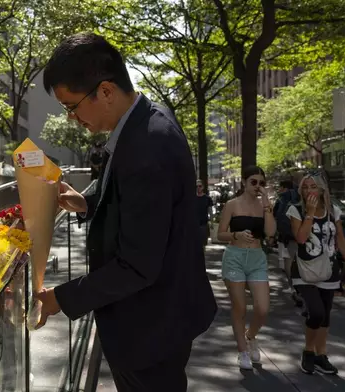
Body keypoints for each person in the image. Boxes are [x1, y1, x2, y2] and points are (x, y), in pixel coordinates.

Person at [33, 32, 217, 391]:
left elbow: (137, 265)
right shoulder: (145, 122)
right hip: (157, 321)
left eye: (72, 106)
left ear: (105, 91)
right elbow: (136, 206)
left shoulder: (147, 146)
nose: (71, 118)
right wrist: (85, 202)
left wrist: (61, 299)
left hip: (151, 331)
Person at [217, 166, 276, 370]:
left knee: (262, 308)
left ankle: (251, 336)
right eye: (253, 182)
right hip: (235, 257)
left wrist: (267, 205)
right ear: (244, 182)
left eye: (261, 183)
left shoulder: (264, 206)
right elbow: (220, 234)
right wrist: (237, 235)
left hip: (257, 258)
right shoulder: (232, 205)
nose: (257, 186)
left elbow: (270, 233)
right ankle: (242, 351)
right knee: (239, 307)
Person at [287, 171, 345, 375]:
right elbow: (301, 239)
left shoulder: (333, 210)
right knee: (316, 312)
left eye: (312, 186)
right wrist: (310, 213)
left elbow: (340, 239)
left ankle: (321, 354)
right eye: (305, 187)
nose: (308, 190)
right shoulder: (295, 210)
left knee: (326, 315)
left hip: (329, 269)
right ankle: (308, 352)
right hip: (305, 269)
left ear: (321, 189)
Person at [197, 179, 214, 251]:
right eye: (196, 186)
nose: (198, 188)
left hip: (203, 224)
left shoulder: (207, 199)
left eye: (200, 186)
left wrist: (212, 222)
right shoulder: (191, 198)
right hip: (193, 224)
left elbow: (210, 211)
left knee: (203, 245)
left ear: (203, 187)